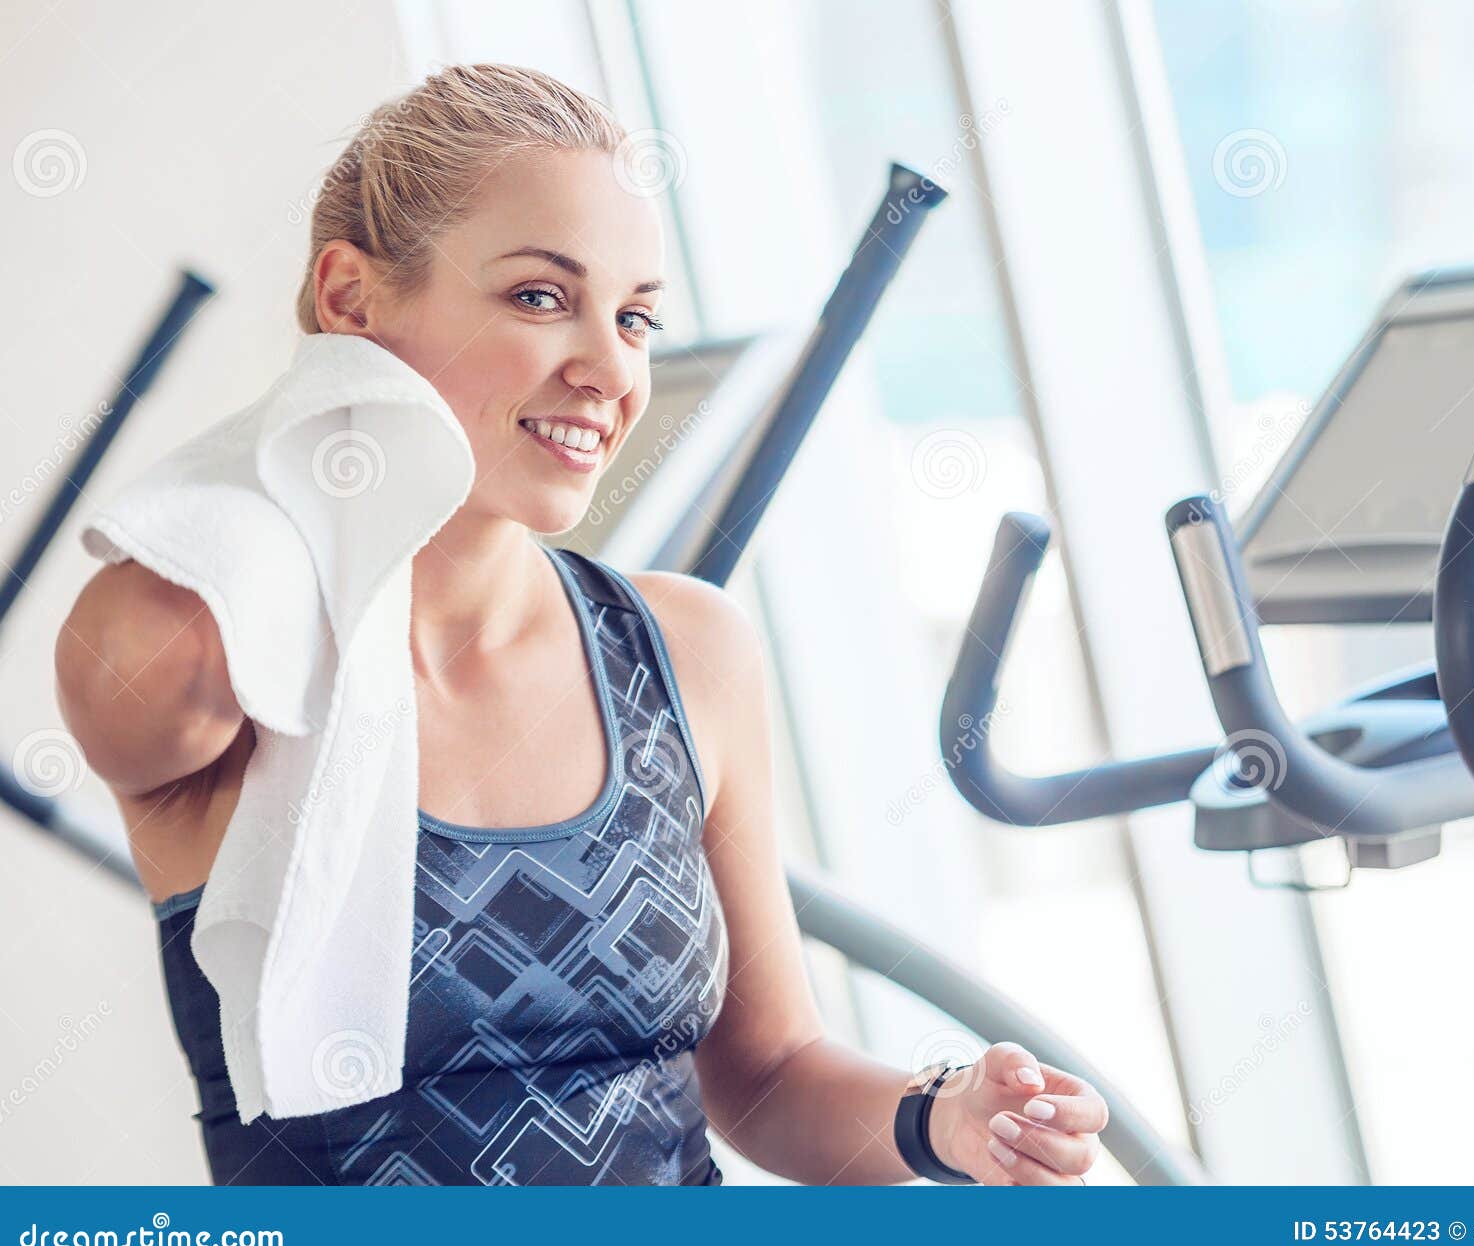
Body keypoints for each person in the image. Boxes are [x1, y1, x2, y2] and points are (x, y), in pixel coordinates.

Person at [54, 62, 1107, 1186]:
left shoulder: (686, 650)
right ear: (352, 298)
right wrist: (335, 443)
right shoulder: (224, 660)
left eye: (637, 316)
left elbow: (766, 1072)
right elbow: (136, 627)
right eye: (540, 297)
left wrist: (942, 1121)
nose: (610, 368)